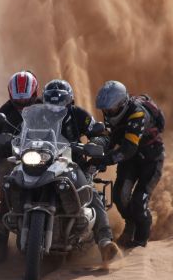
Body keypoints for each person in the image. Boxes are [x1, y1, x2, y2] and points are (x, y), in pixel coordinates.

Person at [43, 79, 120, 262]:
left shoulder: (79, 115)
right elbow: (21, 133)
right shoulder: (38, 114)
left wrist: (93, 144)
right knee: (13, 182)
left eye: (60, 103)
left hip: (72, 164)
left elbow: (101, 134)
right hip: (41, 163)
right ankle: (2, 241)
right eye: (51, 103)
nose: (55, 108)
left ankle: (104, 241)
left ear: (69, 101)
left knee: (90, 193)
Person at [94, 80, 165, 248]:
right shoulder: (111, 114)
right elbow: (110, 138)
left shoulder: (138, 114)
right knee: (119, 195)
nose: (107, 112)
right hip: (131, 160)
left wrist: (105, 160)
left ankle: (141, 243)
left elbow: (128, 149)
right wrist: (95, 149)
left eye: (110, 108)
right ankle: (130, 224)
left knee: (139, 202)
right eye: (104, 109)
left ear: (122, 104)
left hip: (151, 159)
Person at [0, 70, 41, 261]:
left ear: (34, 94)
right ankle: (0, 246)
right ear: (11, 95)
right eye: (17, 101)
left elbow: (58, 127)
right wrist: (5, 147)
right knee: (6, 198)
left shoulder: (44, 107)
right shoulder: (4, 112)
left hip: (42, 156)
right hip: (12, 159)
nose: (21, 104)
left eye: (25, 101)